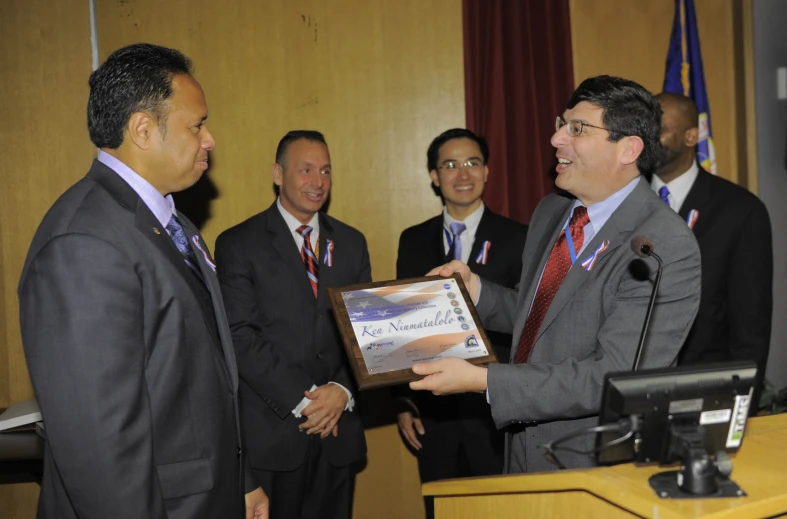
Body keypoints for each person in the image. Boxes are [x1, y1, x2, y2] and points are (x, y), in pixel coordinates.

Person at [18, 43, 267, 518]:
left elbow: (205, 374)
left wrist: (242, 480)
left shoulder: (173, 223)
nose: (210, 139)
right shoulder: (84, 241)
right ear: (143, 129)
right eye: (197, 125)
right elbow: (101, 447)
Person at [409, 75, 702, 473]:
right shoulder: (553, 210)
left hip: (589, 461)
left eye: (577, 129)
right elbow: (542, 315)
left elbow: (614, 377)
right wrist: (477, 291)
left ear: (628, 149)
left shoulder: (662, 245)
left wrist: (487, 382)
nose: (556, 139)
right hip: (520, 446)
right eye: (561, 124)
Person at [215, 130, 370, 519]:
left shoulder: (351, 243)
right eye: (305, 170)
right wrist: (307, 400)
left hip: (339, 432)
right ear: (278, 174)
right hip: (274, 435)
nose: (318, 182)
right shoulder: (238, 243)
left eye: (325, 171)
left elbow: (368, 333)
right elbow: (238, 336)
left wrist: (341, 390)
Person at [395, 128, 527, 517]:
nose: (462, 174)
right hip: (432, 413)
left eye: (472, 163)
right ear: (435, 176)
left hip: (495, 411)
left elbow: (524, 321)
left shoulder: (519, 238)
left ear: (487, 172)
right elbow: (405, 327)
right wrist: (403, 399)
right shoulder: (412, 240)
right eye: (450, 165)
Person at [652, 92, 773, 411]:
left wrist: (738, 405)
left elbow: (751, 324)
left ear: (691, 136)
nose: (648, 137)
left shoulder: (740, 210)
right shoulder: (625, 203)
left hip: (704, 391)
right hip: (628, 386)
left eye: (659, 128)